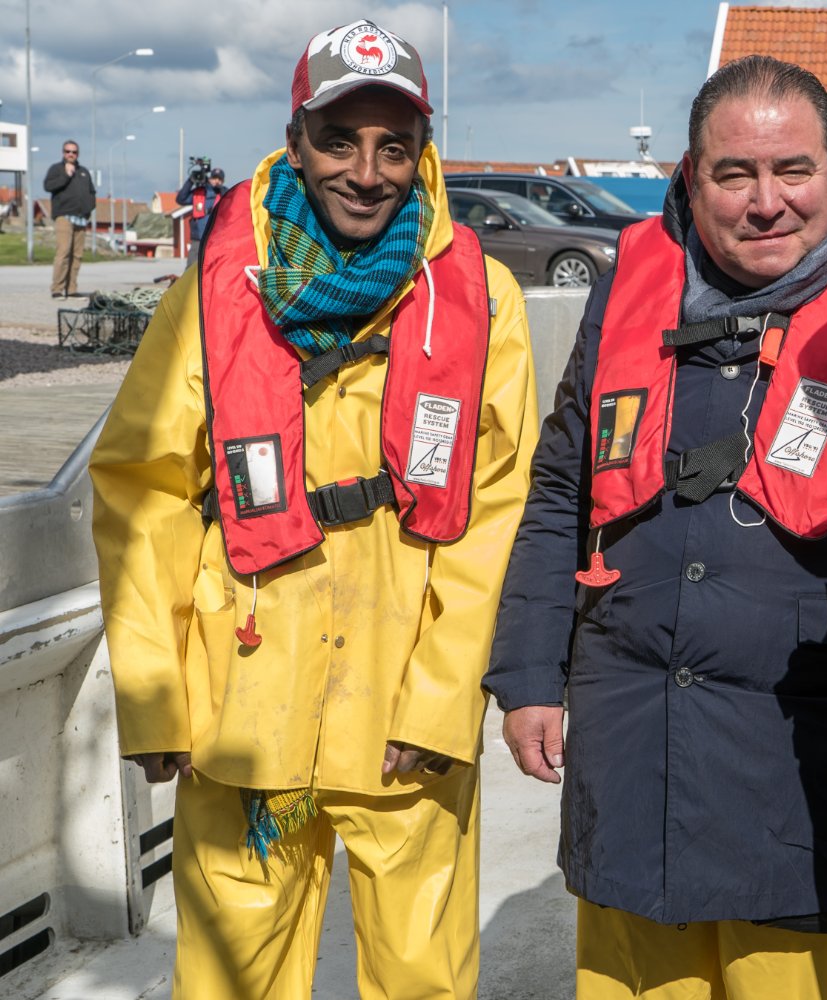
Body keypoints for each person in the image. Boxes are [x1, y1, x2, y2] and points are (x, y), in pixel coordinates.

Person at [89, 19, 536, 999]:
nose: (367, 171)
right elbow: (141, 490)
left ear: (422, 150)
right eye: (339, 139)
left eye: (393, 144)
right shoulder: (209, 294)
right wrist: (157, 698)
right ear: (295, 141)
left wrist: (442, 696)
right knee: (231, 972)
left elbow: (499, 515)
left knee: (421, 974)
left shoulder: (485, 298)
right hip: (248, 715)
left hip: (405, 720)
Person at [486, 54, 827, 1000]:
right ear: (691, 178)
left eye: (792, 170)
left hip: (815, 785)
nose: (767, 202)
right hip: (633, 762)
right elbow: (561, 488)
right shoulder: (628, 291)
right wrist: (525, 676)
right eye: (735, 174)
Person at [43, 139, 95, 298]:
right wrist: (66, 175)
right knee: (63, 252)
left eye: (74, 152)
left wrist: (88, 210)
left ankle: (71, 289)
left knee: (77, 255)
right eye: (68, 151)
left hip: (81, 217)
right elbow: (48, 186)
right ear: (63, 153)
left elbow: (91, 192)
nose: (71, 154)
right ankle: (57, 289)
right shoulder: (56, 169)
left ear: (77, 154)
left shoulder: (84, 171)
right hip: (64, 216)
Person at [176, 165, 228, 264]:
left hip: (216, 240)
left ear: (223, 181)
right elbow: (181, 199)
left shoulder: (225, 194)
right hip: (198, 239)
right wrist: (190, 181)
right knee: (191, 269)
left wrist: (221, 190)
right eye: (214, 178)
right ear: (209, 179)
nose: (216, 181)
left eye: (219, 179)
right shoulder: (199, 192)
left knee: (213, 269)